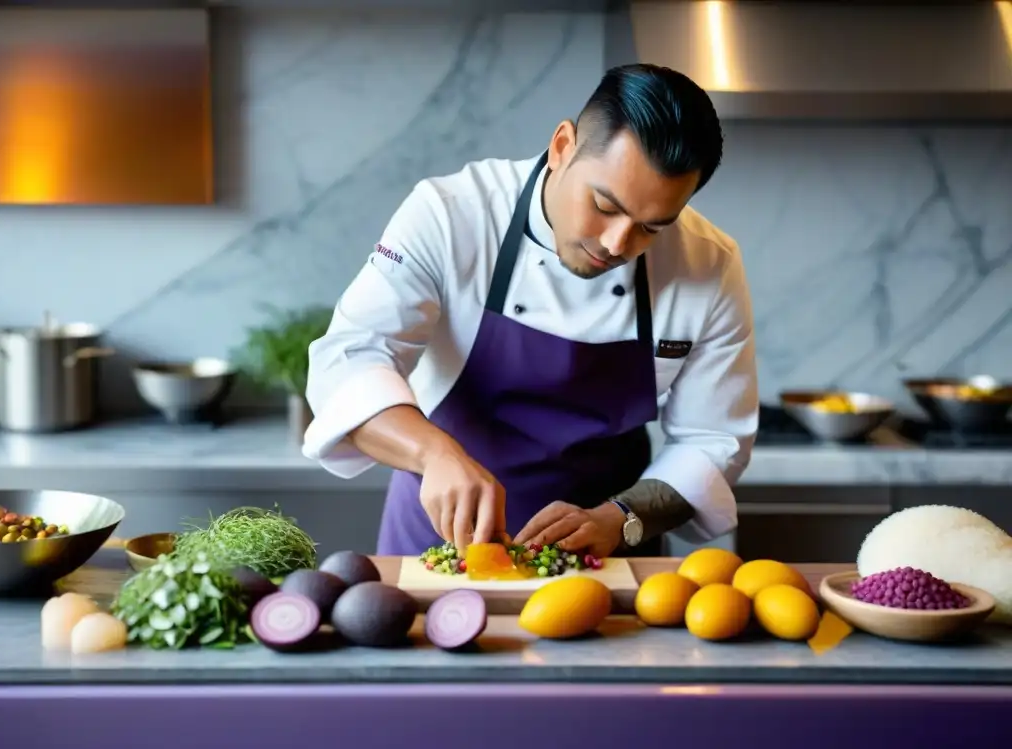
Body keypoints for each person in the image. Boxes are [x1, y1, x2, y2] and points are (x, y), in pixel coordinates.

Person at [302, 63, 759, 559]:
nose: (616, 243)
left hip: (606, 556)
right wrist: (432, 454)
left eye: (651, 227)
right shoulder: (451, 214)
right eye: (605, 206)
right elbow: (351, 357)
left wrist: (619, 519)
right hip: (437, 545)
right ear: (562, 146)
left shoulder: (709, 263)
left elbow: (712, 440)